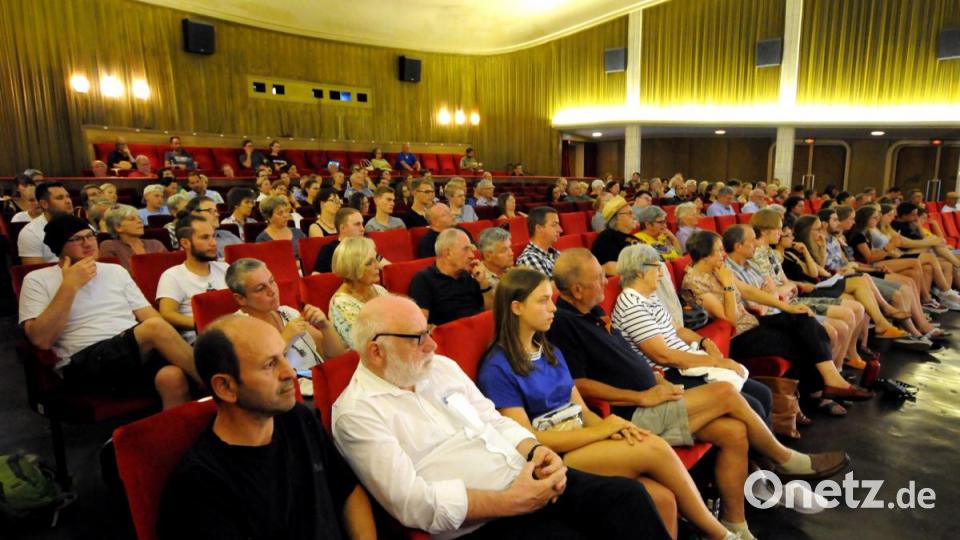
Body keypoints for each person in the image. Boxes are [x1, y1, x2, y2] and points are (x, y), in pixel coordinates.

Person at [547, 249, 852, 539]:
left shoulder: (593, 310)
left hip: (656, 393)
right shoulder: (563, 323)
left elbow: (622, 357)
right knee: (725, 392)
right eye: (598, 278)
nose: (606, 281)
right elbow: (579, 385)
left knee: (734, 431)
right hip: (633, 412)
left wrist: (652, 377)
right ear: (576, 289)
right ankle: (784, 460)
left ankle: (736, 524)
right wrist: (640, 396)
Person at [333, 294, 672, 539]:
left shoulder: (441, 369)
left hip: (528, 478)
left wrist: (535, 451)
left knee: (629, 499)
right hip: (484, 520)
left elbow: (493, 420)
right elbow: (412, 503)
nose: (432, 345)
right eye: (417, 338)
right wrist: (509, 502)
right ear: (376, 351)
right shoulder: (357, 413)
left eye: (429, 331)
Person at [479, 267, 737, 540]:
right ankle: (721, 535)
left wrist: (614, 428)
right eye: (542, 301)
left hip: (582, 438)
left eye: (551, 299)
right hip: (552, 457)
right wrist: (604, 430)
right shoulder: (496, 368)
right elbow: (529, 440)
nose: (552, 308)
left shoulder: (549, 350)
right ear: (517, 307)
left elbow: (582, 410)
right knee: (654, 450)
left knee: (662, 498)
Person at [156, 315, 374, 540]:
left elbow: (347, 490)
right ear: (225, 387)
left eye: (283, 356)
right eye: (269, 365)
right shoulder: (198, 488)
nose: (289, 372)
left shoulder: (297, 418)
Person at [19, 214, 198, 409]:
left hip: (131, 351)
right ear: (59, 246)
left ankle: (174, 437)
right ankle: (219, 389)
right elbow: (41, 339)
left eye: (90, 235)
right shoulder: (36, 279)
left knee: (172, 377)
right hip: (82, 361)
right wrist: (69, 286)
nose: (87, 243)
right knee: (154, 328)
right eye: (77, 239)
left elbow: (149, 315)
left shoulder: (115, 271)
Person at [681, 231, 874, 402]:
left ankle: (831, 382)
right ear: (705, 256)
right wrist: (728, 285)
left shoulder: (719, 270)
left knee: (804, 318)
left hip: (752, 322)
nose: (724, 254)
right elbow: (729, 321)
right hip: (737, 337)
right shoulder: (694, 282)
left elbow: (750, 292)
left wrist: (787, 307)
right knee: (800, 341)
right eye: (720, 250)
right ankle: (819, 391)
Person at [227, 259, 345, 371]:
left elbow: (336, 356)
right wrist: (285, 339)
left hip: (318, 383)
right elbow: (255, 374)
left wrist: (325, 325)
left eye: (272, 281)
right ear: (240, 299)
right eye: (260, 288)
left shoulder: (288, 312)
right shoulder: (237, 330)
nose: (272, 291)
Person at [157, 215, 229, 344]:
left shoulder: (225, 268)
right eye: (205, 237)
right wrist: (208, 324)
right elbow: (167, 314)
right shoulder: (172, 275)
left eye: (213, 236)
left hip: (234, 330)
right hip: (202, 340)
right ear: (185, 243)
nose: (213, 243)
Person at [409, 228, 493, 324]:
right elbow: (421, 324)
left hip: (478, 328)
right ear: (447, 254)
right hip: (450, 334)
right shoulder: (423, 279)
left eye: (471, 249)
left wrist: (483, 282)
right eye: (466, 249)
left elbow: (491, 313)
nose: (472, 255)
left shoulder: (469, 275)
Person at [328, 238, 390, 348]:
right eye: (370, 262)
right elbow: (366, 345)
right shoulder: (341, 304)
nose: (377, 266)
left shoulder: (378, 289)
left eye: (376, 259)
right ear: (353, 268)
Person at [314, 208, 390, 274]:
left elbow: (389, 267)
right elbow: (316, 278)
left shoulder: (366, 247)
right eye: (357, 224)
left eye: (362, 224)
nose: (362, 229)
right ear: (343, 228)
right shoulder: (329, 249)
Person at [19, 181, 74, 264]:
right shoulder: (30, 233)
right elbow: (34, 273)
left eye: (68, 196)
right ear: (44, 204)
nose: (68, 201)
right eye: (60, 198)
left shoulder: (81, 225)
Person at [99, 205, 168, 271]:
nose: (140, 221)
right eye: (132, 219)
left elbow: (169, 268)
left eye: (139, 218)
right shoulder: (109, 246)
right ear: (118, 227)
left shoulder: (156, 244)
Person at [590, 196, 640, 275]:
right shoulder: (607, 237)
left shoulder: (633, 237)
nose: (634, 216)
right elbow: (609, 267)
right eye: (629, 213)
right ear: (617, 218)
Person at [184, 196, 242, 260]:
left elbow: (247, 255)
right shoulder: (191, 242)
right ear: (195, 214)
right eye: (211, 211)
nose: (217, 215)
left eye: (216, 211)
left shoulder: (228, 235)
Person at [515, 206, 562, 277]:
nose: (560, 230)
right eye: (554, 224)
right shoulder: (529, 258)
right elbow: (548, 287)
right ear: (539, 228)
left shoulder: (556, 253)